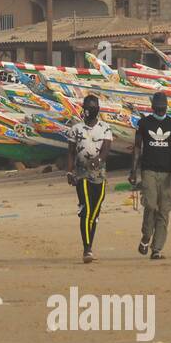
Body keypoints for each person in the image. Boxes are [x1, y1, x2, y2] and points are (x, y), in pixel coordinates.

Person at [129, 91, 171, 260]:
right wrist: (133, 171)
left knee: (164, 210)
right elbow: (137, 147)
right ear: (152, 107)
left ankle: (157, 248)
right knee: (150, 205)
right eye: (157, 108)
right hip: (148, 170)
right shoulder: (143, 123)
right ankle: (146, 235)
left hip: (167, 172)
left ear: (166, 107)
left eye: (162, 108)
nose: (160, 111)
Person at [66, 94, 113, 263]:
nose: (89, 111)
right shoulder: (76, 129)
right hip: (82, 173)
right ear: (83, 109)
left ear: (98, 109)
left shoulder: (105, 128)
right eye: (87, 107)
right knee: (86, 210)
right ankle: (87, 249)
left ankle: (89, 244)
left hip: (99, 175)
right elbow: (71, 152)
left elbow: (106, 150)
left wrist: (98, 160)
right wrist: (69, 172)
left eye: (93, 107)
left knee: (95, 211)